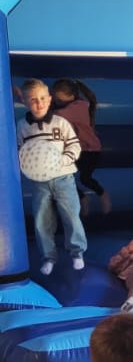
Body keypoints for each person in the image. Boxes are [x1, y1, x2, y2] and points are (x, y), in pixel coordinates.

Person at [15, 78, 87, 275]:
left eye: (42, 99)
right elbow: (20, 151)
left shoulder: (60, 123)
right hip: (39, 181)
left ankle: (77, 252)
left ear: (49, 99)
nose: (38, 104)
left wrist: (64, 159)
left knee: (71, 215)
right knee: (41, 219)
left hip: (63, 177)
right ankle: (48, 257)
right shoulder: (22, 126)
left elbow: (74, 145)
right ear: (25, 102)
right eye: (33, 100)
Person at [51, 77, 109, 215]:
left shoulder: (79, 106)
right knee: (63, 177)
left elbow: (56, 116)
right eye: (55, 98)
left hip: (90, 150)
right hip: (80, 150)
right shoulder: (71, 106)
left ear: (71, 96)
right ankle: (83, 197)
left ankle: (103, 195)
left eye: (59, 99)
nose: (56, 101)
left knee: (85, 178)